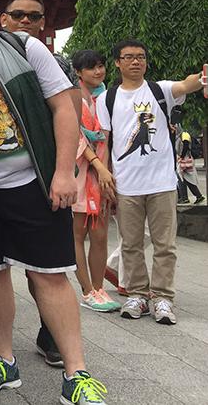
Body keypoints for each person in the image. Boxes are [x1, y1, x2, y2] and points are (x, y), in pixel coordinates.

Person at [0, 0, 108, 404]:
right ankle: (3, 358)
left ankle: (76, 371)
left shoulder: (24, 46)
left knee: (48, 275)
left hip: (31, 178)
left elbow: (62, 108)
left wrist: (64, 173)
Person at [0, 0, 83, 366]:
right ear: (3, 18)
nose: (25, 21)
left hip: (35, 174)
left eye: (33, 16)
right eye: (18, 15)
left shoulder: (49, 58)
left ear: (45, 21)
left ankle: (58, 343)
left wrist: (65, 170)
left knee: (44, 268)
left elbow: (70, 109)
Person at [96, 39, 206, 326]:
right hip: (126, 183)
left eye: (141, 57)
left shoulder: (161, 90)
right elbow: (104, 142)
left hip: (162, 183)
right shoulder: (107, 98)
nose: (136, 62)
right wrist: (104, 174)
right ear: (117, 63)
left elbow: (186, 84)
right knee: (130, 243)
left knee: (164, 244)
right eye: (129, 57)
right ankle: (137, 295)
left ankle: (163, 297)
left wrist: (202, 77)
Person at [71, 50, 120, 313]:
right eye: (91, 68)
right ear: (78, 72)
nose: (98, 71)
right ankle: (87, 290)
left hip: (104, 171)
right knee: (78, 233)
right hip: (80, 172)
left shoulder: (107, 97)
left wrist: (107, 168)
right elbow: (75, 134)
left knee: (100, 234)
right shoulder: (71, 96)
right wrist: (98, 165)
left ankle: (99, 288)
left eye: (101, 66)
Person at [177, 131, 205, 204]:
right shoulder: (180, 135)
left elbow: (186, 144)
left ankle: (185, 198)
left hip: (185, 160)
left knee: (182, 179)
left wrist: (181, 157)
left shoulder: (184, 134)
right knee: (186, 179)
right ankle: (196, 196)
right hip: (185, 159)